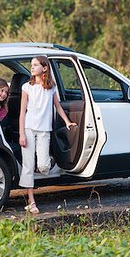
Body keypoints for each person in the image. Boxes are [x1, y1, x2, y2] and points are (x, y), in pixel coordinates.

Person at [19, 56, 77, 214]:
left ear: (44, 68)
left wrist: (66, 121)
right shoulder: (26, 87)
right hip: (29, 128)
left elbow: (57, 106)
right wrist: (21, 134)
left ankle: (33, 170)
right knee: (28, 165)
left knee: (44, 166)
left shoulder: (51, 88)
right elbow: (22, 113)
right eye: (31, 65)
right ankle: (31, 201)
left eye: (36, 65)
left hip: (45, 130)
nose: (32, 67)